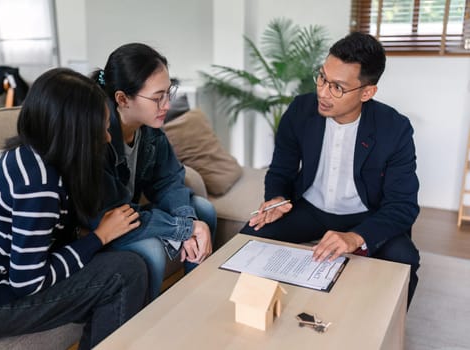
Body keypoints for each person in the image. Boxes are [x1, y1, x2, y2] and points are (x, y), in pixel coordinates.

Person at [0, 68, 148, 350]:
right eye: (100, 129)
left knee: (118, 263)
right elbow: (27, 282)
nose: (107, 137)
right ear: (74, 134)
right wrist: (97, 238)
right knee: (126, 271)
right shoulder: (38, 185)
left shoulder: (31, 155)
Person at [241, 32, 420, 307]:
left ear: (367, 92)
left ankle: (384, 334)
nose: (322, 93)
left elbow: (403, 206)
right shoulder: (301, 110)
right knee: (249, 239)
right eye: (322, 78)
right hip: (310, 209)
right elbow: (281, 170)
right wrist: (276, 198)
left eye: (337, 87)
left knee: (404, 260)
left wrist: (355, 237)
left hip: (367, 216)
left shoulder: (394, 129)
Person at [90, 43, 216, 301]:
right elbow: (115, 215)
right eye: (158, 97)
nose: (167, 105)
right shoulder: (96, 138)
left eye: (168, 93)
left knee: (203, 209)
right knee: (152, 251)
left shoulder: (150, 131)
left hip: (131, 218)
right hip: (103, 227)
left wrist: (188, 221)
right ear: (122, 99)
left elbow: (170, 181)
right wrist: (183, 229)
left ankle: (193, 301)